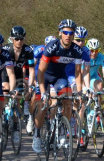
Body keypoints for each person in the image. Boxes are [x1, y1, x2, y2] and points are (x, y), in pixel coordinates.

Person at [33, 19, 83, 153]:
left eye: (71, 33)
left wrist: (79, 92)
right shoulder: (52, 46)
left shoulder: (77, 50)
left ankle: (62, 132)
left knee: (68, 100)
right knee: (43, 106)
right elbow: (41, 71)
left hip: (60, 77)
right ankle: (37, 135)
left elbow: (78, 73)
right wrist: (43, 91)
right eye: (65, 32)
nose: (68, 35)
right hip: (45, 76)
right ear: (60, 33)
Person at [2, 26, 35, 142]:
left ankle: (16, 128)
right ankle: (3, 111)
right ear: (11, 39)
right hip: (5, 73)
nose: (19, 41)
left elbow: (31, 69)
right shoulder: (6, 49)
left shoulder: (28, 50)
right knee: (6, 90)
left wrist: (30, 85)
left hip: (18, 75)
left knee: (17, 101)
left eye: (21, 39)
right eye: (16, 39)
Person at [26, 36, 57, 135]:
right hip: (38, 73)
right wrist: (33, 80)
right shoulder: (39, 50)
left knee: (54, 100)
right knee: (36, 98)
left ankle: (53, 124)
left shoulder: (58, 51)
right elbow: (32, 67)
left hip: (51, 75)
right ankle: (31, 118)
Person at [65, 26, 91, 139]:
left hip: (74, 77)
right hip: (64, 75)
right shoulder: (65, 48)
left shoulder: (85, 51)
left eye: (83, 40)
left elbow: (85, 72)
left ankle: (78, 130)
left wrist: (87, 87)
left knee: (81, 103)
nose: (81, 43)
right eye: (78, 40)